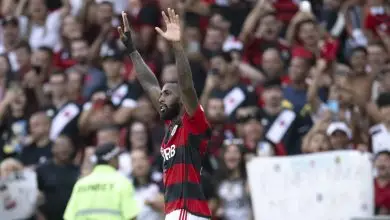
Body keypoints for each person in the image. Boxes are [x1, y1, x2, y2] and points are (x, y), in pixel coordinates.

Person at [118, 8, 212, 220]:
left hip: (188, 212)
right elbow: (150, 84)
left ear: (181, 100)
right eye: (161, 95)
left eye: (167, 94)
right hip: (178, 211)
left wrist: (177, 45)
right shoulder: (171, 125)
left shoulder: (192, 121)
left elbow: (186, 86)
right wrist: (132, 50)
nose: (160, 98)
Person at [63, 142, 139, 220]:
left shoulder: (80, 184)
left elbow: (69, 217)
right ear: (112, 159)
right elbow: (131, 216)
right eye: (117, 157)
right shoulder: (122, 183)